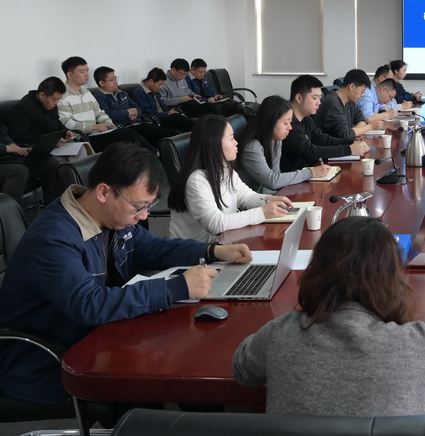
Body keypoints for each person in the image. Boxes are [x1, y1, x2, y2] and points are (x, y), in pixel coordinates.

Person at [0, 142, 252, 404]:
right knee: (175, 363)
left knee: (186, 352)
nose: (143, 216)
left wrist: (212, 251)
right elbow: (89, 304)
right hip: (48, 359)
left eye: (148, 206)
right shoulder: (53, 239)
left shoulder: (110, 218)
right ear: (104, 192)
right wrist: (178, 287)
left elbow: (153, 247)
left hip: (99, 334)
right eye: (138, 207)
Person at [232, 216, 425, 415]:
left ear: (316, 271)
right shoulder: (421, 342)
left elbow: (243, 369)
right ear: (391, 279)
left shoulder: (280, 333)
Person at [167, 115, 294, 242]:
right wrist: (262, 213)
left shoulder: (225, 169)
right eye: (231, 138)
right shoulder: (196, 180)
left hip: (223, 243)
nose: (236, 142)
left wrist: (270, 200)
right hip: (195, 252)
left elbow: (246, 197)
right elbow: (215, 224)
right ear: (214, 143)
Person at [236, 95, 332, 193]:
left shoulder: (276, 140)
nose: (290, 127)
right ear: (270, 122)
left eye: (290, 122)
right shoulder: (251, 146)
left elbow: (276, 175)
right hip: (249, 198)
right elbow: (272, 181)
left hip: (264, 194)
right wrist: (309, 173)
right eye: (286, 123)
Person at [57, 56, 154, 152]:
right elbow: (66, 123)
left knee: (130, 137)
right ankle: (155, 154)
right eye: (82, 71)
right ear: (70, 75)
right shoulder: (62, 95)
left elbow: (99, 113)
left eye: (87, 70)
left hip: (96, 133)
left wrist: (108, 123)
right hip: (83, 138)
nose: (87, 74)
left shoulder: (86, 92)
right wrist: (93, 127)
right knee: (126, 134)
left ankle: (152, 155)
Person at [281, 75, 370, 172]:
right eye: (315, 98)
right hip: (294, 176)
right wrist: (349, 149)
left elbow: (320, 138)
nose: (319, 102)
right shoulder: (287, 123)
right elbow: (310, 151)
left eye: (319, 98)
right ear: (299, 98)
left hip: (309, 170)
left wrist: (351, 142)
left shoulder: (306, 117)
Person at [93, 66, 178, 147]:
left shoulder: (121, 93)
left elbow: (138, 108)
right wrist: (128, 113)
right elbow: (108, 115)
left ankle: (178, 144)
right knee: (160, 133)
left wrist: (134, 113)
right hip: (125, 128)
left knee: (168, 131)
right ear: (102, 83)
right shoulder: (99, 97)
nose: (115, 81)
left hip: (137, 123)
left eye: (115, 78)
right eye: (112, 80)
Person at [0, 121, 61, 205]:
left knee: (51, 162)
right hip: (4, 158)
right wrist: (7, 148)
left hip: (6, 157)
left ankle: (52, 208)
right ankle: (6, 211)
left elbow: (2, 132)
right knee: (19, 171)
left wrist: (13, 145)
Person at [316, 69, 382, 142]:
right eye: (362, 91)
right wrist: (370, 127)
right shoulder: (332, 102)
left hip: (344, 144)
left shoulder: (350, 101)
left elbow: (362, 120)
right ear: (352, 86)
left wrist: (352, 133)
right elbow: (344, 134)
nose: (362, 95)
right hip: (331, 146)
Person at [8, 77, 76, 147]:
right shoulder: (23, 108)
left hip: (55, 145)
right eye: (54, 100)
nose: (56, 103)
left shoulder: (49, 104)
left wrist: (65, 132)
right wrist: (50, 141)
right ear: (42, 95)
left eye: (58, 100)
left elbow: (56, 122)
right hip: (35, 148)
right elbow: (20, 136)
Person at [132, 67, 195, 132]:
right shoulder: (139, 92)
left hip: (164, 116)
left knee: (183, 116)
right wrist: (166, 114)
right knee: (179, 119)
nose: (161, 87)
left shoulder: (155, 90)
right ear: (151, 81)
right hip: (157, 119)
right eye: (160, 84)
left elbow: (163, 105)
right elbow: (147, 112)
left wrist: (171, 111)